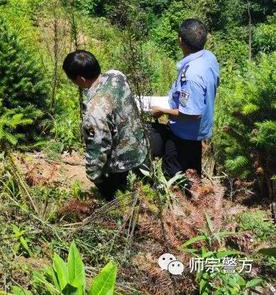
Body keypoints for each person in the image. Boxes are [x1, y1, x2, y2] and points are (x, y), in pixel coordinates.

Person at [62, 50, 149, 201]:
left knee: (121, 204)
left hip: (121, 165)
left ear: (81, 79)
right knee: (147, 194)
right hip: (142, 149)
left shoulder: (94, 111)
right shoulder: (117, 75)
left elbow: (99, 147)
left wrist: (94, 176)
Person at [150, 19, 220, 181]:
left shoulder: (192, 75)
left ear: (180, 40)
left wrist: (162, 111)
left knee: (174, 175)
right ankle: (196, 202)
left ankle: (182, 204)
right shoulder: (209, 58)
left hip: (184, 135)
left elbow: (192, 113)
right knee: (193, 174)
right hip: (196, 133)